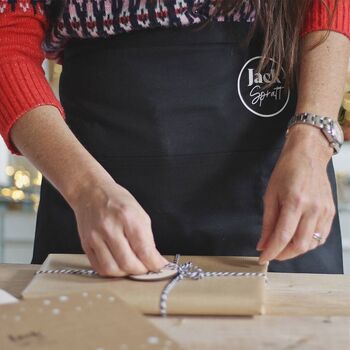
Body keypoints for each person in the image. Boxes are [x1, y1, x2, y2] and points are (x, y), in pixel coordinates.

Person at [0, 0, 349, 276]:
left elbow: (328, 7)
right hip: (94, 182)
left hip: (276, 174)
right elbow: (7, 39)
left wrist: (313, 142)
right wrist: (84, 189)